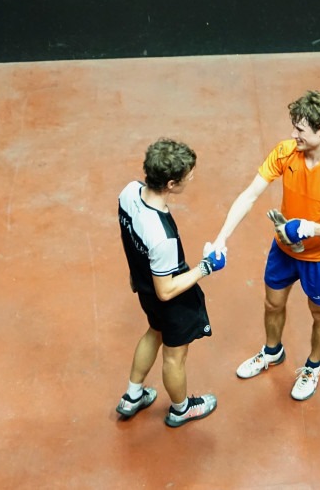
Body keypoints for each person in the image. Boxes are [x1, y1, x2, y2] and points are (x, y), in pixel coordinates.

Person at [212, 90, 320, 401]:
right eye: (294, 127)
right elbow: (250, 194)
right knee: (272, 303)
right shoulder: (285, 153)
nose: (293, 135)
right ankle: (272, 351)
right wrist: (221, 237)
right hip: (283, 249)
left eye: (300, 129)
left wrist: (310, 228)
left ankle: (313, 365)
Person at [116, 138, 225, 427]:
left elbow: (130, 241)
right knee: (174, 357)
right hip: (169, 298)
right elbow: (166, 291)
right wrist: (206, 267)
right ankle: (181, 409)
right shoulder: (161, 235)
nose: (192, 177)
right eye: (188, 175)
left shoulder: (128, 193)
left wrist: (136, 273)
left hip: (144, 287)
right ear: (171, 184)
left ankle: (132, 395)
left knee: (154, 331)